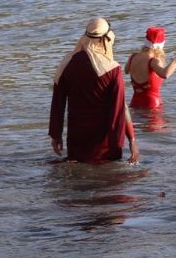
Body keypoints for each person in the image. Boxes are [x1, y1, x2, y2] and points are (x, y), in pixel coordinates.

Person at [49, 17, 140, 164]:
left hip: (76, 142)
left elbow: (58, 103)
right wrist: (131, 140)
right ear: (106, 40)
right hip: (104, 145)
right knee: (106, 183)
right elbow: (120, 108)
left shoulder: (67, 64)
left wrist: (56, 135)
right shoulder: (112, 70)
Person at [127, 26, 176, 110]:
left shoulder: (133, 56)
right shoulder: (153, 61)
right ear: (159, 46)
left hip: (135, 101)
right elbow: (165, 74)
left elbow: (126, 70)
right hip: (151, 102)